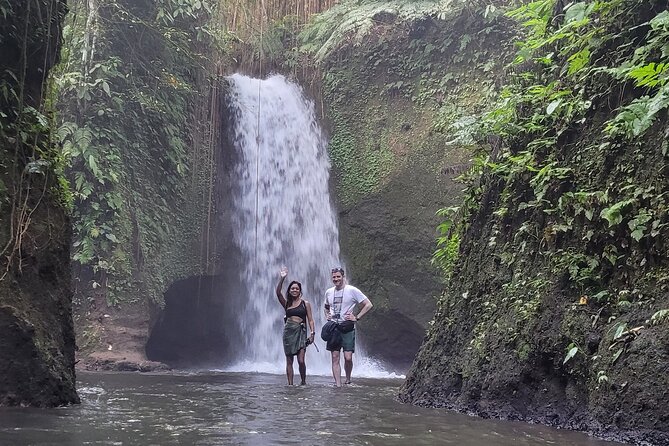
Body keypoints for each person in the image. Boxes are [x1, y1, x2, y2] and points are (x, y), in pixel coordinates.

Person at [324, 267, 373, 387]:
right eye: (334, 277)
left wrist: (357, 317)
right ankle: (338, 383)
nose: (336, 279)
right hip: (334, 328)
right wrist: (327, 315)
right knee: (335, 357)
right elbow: (326, 307)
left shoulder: (352, 290)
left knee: (348, 357)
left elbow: (368, 304)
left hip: (347, 327)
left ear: (343, 277)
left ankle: (348, 378)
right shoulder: (329, 292)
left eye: (338, 276)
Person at [276, 267, 315, 385]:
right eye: (292, 288)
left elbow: (311, 320)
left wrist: (312, 333)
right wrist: (282, 278)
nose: (294, 290)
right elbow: (278, 293)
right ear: (289, 290)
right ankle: (290, 384)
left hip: (301, 333)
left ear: (300, 290)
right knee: (289, 361)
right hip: (288, 333)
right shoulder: (287, 304)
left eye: (296, 288)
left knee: (301, 360)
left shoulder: (305, 303)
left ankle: (303, 382)